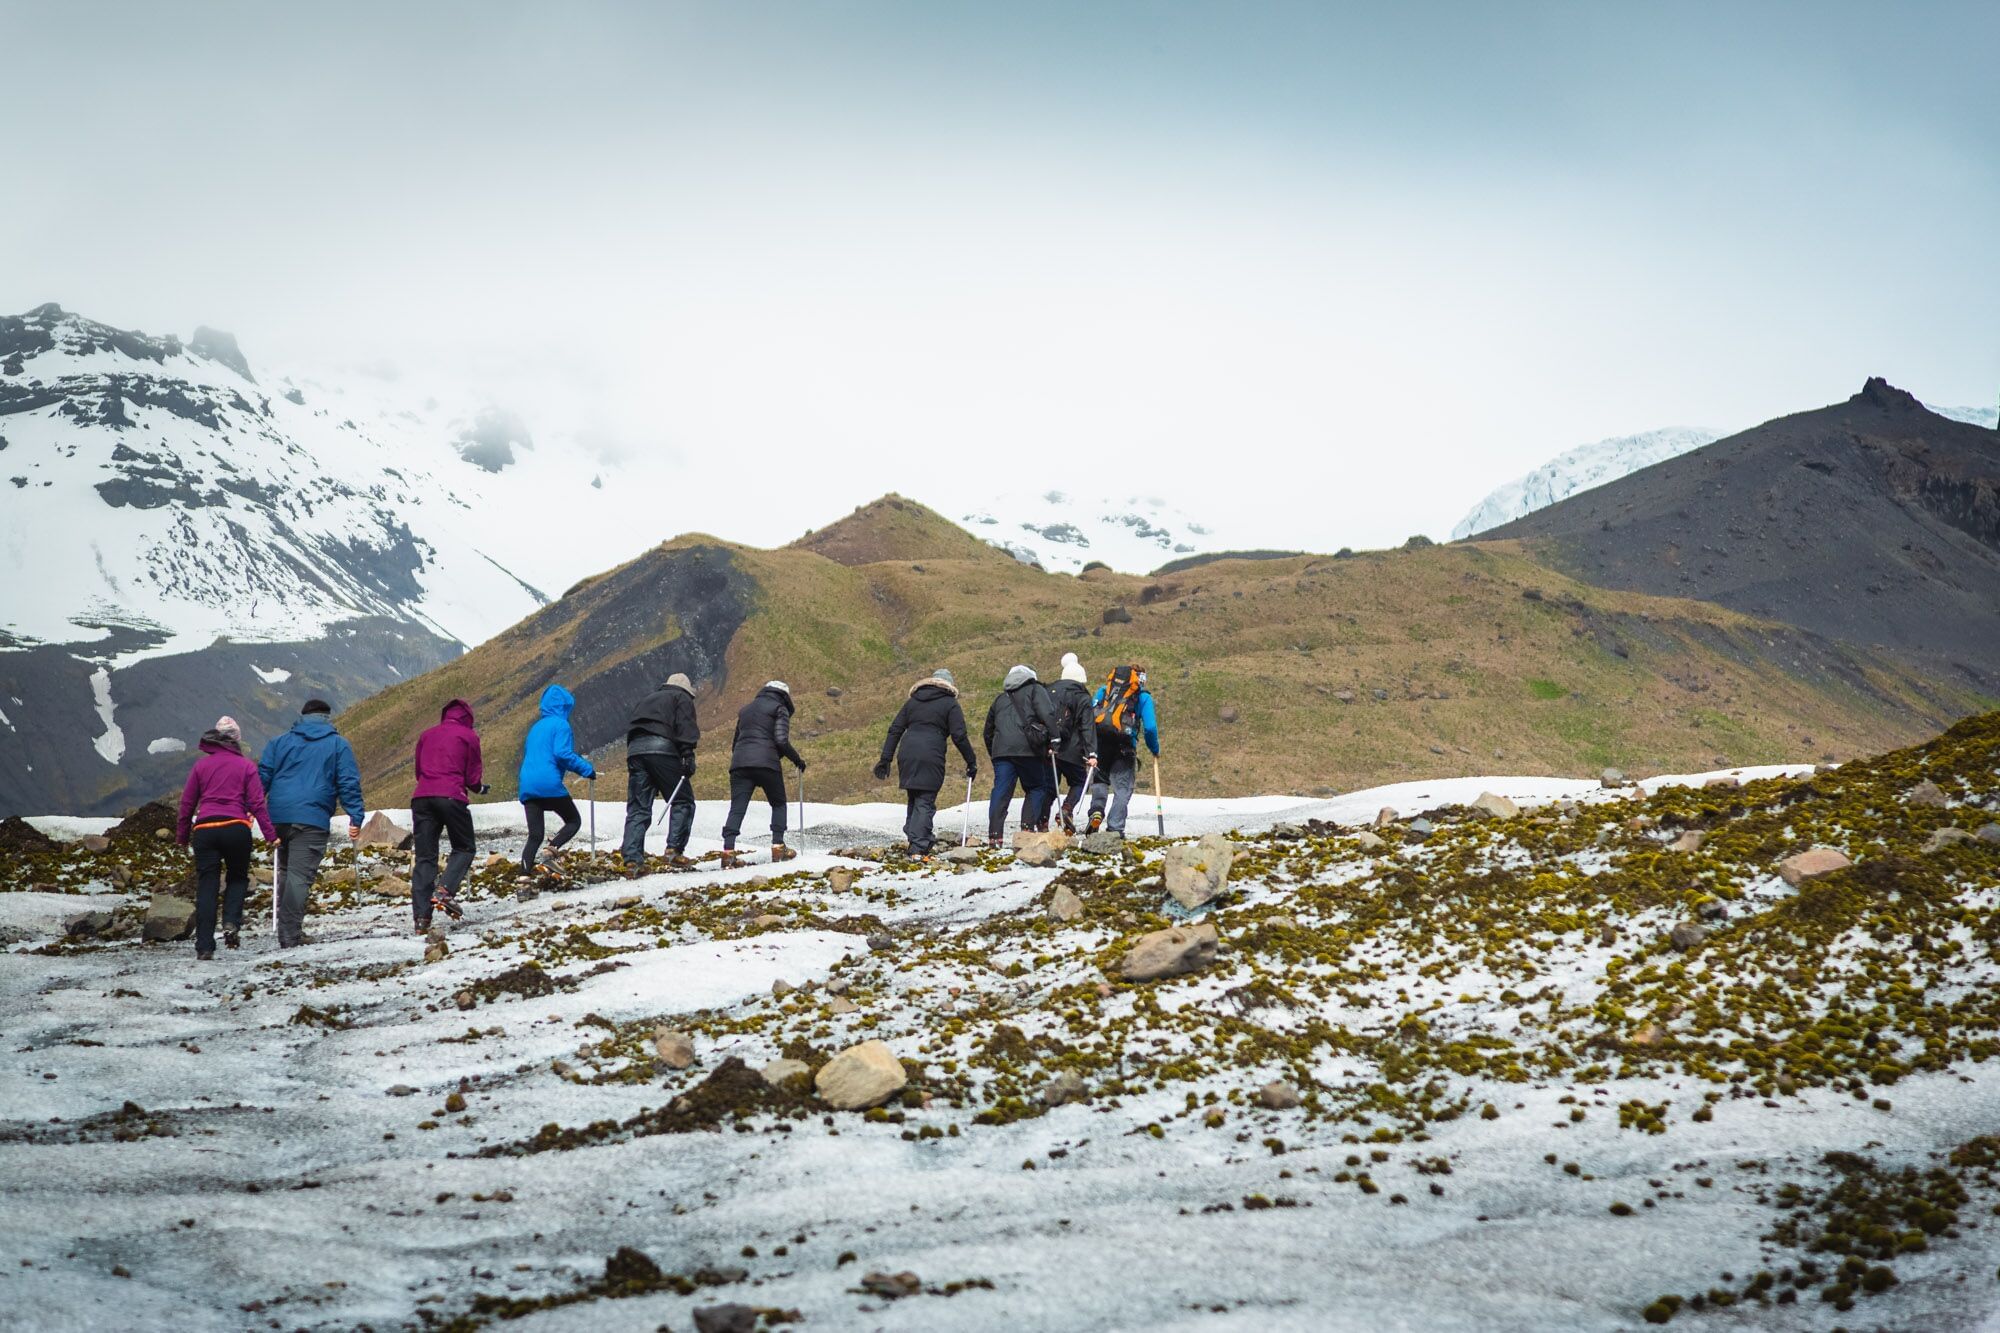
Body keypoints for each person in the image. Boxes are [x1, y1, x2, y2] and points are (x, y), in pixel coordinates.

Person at [258, 698, 365, 948]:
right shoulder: (338, 744)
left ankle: (288, 928)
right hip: (311, 817)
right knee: (299, 876)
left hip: (279, 815)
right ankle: (289, 934)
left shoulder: (278, 742)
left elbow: (262, 776)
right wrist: (356, 815)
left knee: (285, 872)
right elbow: (347, 782)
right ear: (327, 717)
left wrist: (250, 807)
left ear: (302, 716)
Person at [176, 716, 276, 960]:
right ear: (237, 739)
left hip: (205, 829)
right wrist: (270, 835)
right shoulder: (246, 766)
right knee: (238, 878)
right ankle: (231, 921)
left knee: (207, 885)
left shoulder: (201, 766)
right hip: (236, 828)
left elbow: (187, 803)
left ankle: (205, 946)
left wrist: (181, 836)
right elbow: (256, 804)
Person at [874, 668, 978, 858]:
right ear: (950, 686)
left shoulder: (912, 703)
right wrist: (971, 761)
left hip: (907, 752)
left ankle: (917, 836)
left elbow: (895, 729)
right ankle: (918, 846)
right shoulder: (950, 704)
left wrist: (885, 758)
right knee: (925, 799)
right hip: (931, 753)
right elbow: (959, 735)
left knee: (914, 795)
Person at [410, 698, 485, 930]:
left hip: (422, 797)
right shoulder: (468, 736)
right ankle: (445, 890)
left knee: (425, 857)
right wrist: (479, 788)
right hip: (451, 796)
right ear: (468, 719)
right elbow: (472, 776)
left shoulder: (426, 735)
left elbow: (419, 770)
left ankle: (422, 919)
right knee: (464, 847)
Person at [620, 672, 700, 874]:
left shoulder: (648, 698)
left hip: (635, 751)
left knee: (639, 807)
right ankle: (674, 851)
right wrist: (687, 754)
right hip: (662, 749)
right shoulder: (681, 698)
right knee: (682, 800)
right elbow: (684, 726)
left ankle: (632, 859)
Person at [721, 681, 806, 865]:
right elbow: (781, 741)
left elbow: (735, 743)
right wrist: (797, 760)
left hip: (740, 764)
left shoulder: (745, 710)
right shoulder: (779, 708)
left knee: (737, 808)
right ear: (785, 696)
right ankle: (778, 848)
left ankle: (728, 852)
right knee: (778, 804)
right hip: (767, 764)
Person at [518, 684, 595, 874]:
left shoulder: (534, 728)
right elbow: (562, 754)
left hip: (527, 785)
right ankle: (550, 852)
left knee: (534, 835)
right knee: (573, 821)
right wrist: (587, 769)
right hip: (548, 783)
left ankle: (523, 879)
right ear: (564, 706)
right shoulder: (561, 725)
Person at [982, 664, 1061, 846]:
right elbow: (1047, 713)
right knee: (1037, 787)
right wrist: (1055, 738)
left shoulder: (1000, 699)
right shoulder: (1035, 690)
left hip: (1002, 753)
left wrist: (995, 753)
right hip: (1029, 751)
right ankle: (1026, 830)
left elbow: (988, 731)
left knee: (1001, 792)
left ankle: (995, 836)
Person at [1088, 665, 1160, 836]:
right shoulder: (1143, 698)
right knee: (1122, 788)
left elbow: (1091, 713)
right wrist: (1154, 749)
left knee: (1100, 780)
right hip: (1124, 747)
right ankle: (1115, 828)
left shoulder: (1104, 690)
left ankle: (1096, 811)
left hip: (1100, 743)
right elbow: (1150, 728)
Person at [1045, 652, 1099, 833]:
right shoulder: (1082, 697)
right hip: (1072, 751)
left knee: (1049, 786)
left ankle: (1041, 822)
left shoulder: (1049, 692)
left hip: (1050, 748)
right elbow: (1087, 726)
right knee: (1079, 781)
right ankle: (1066, 810)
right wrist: (1092, 753)